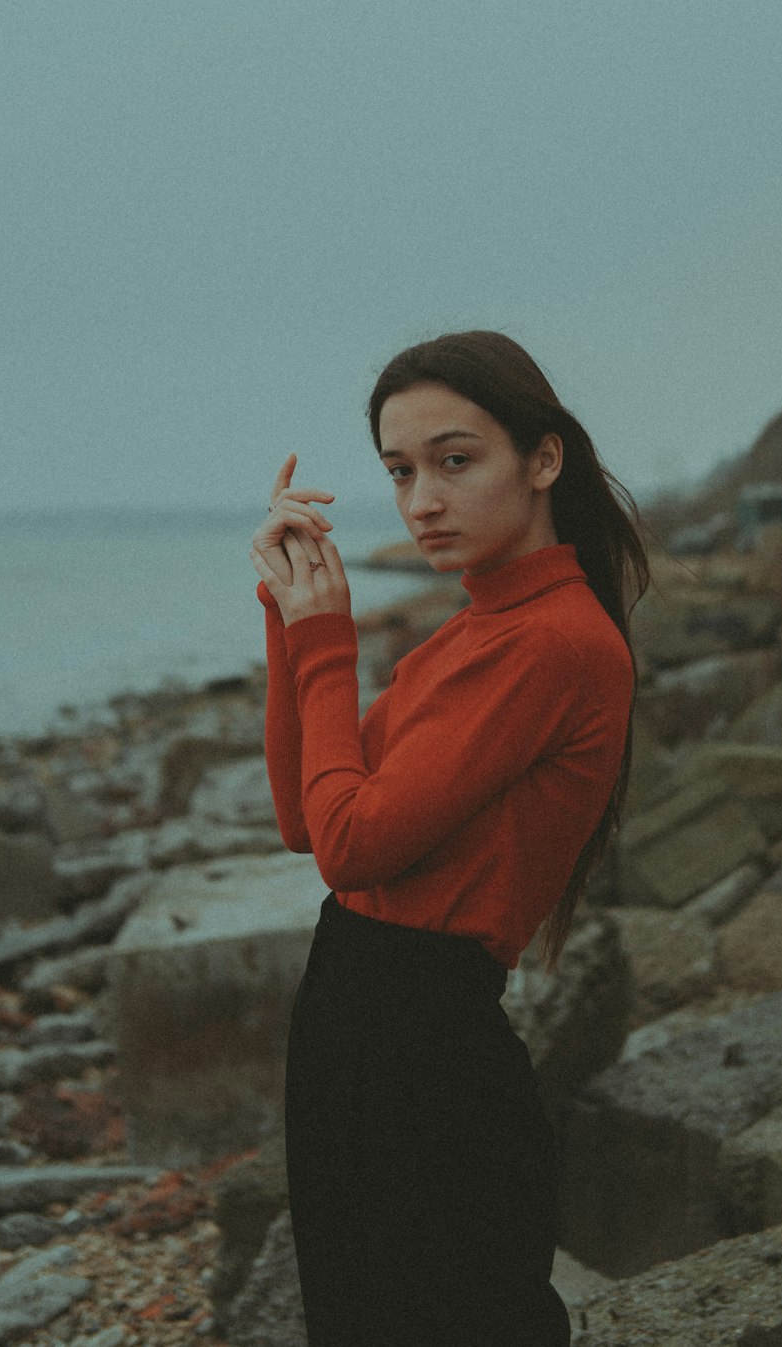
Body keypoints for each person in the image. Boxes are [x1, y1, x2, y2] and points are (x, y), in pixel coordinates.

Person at [250, 330, 648, 1346]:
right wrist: (288, 615)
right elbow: (305, 820)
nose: (420, 499)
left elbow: (351, 844)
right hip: (358, 1020)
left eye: (454, 460)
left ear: (542, 460)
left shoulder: (553, 642)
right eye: (399, 471)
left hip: (422, 1043)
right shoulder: (470, 636)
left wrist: (329, 643)